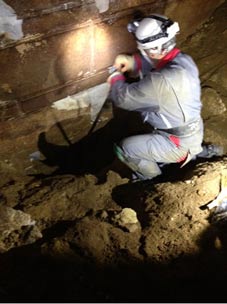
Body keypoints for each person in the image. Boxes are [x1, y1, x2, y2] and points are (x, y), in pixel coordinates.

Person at [107, 14, 223, 182]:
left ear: (154, 50)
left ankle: (153, 181)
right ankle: (201, 152)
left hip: (176, 143)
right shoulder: (183, 60)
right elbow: (157, 63)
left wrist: (115, 76)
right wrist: (133, 61)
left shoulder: (160, 82)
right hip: (191, 131)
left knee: (124, 149)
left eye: (144, 50)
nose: (143, 53)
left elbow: (122, 98)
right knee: (148, 128)